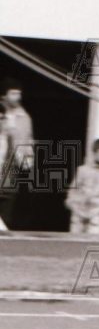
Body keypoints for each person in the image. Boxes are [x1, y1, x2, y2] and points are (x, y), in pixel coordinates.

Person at [65, 138, 99, 234]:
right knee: (74, 239)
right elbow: (72, 192)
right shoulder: (82, 170)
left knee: (93, 239)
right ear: (94, 153)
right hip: (79, 213)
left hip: (97, 215)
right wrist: (75, 206)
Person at [0, 78, 34, 230]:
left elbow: (28, 139)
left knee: (8, 200)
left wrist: (28, 158)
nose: (17, 97)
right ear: (5, 95)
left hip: (12, 163)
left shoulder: (24, 117)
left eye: (18, 93)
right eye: (13, 93)